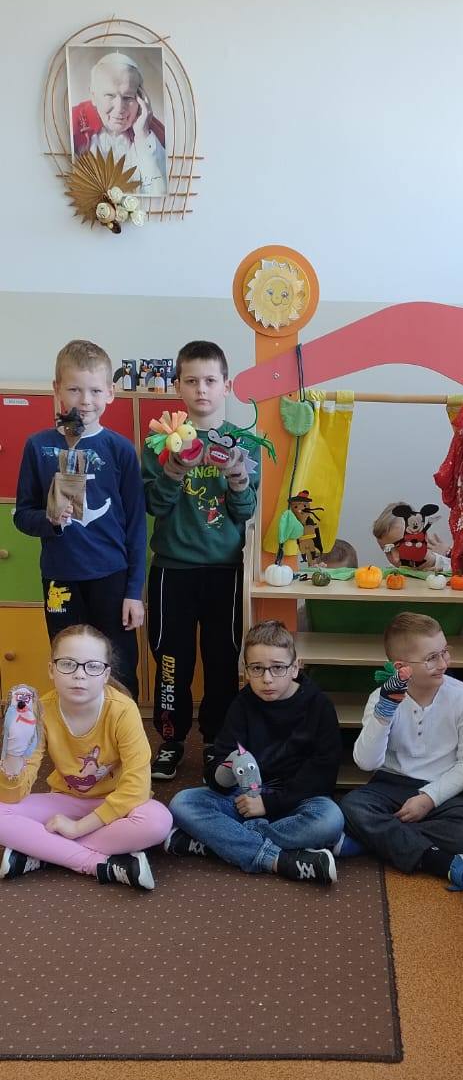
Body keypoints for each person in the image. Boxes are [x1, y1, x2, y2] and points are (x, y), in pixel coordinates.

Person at [143, 340, 258, 781]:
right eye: (191, 381)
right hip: (172, 570)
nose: (201, 389)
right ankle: (171, 741)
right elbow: (154, 505)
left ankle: (217, 743)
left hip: (225, 571)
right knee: (171, 660)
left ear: (226, 385)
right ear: (178, 386)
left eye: (210, 380)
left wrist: (238, 480)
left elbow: (245, 512)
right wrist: (174, 469)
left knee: (222, 660)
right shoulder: (160, 441)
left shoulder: (243, 443)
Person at [14, 339, 146, 698]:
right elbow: (22, 515)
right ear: (57, 389)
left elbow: (136, 525)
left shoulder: (120, 449)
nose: (85, 400)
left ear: (110, 394)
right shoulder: (37, 446)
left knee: (119, 666)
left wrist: (133, 592)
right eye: (74, 389)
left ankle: (123, 731)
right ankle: (74, 732)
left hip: (111, 577)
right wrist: (51, 521)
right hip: (60, 577)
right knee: (69, 665)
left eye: (95, 390)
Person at [166, 620, 344, 885]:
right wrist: (225, 770)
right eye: (257, 669)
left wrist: (269, 804)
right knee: (182, 803)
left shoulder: (319, 705)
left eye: (278, 668)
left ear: (295, 667)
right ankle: (276, 859)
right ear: (246, 670)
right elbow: (219, 765)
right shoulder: (242, 703)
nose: (267, 679)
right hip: (245, 798)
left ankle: (219, 843)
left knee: (330, 820)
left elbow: (322, 774)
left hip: (296, 801)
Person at [0, 625, 172, 891]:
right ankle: (97, 863)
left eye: (92, 666)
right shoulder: (41, 710)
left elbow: (136, 788)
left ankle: (44, 852)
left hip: (118, 804)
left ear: (105, 675)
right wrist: (12, 754)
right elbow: (12, 796)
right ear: (51, 670)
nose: (79, 674)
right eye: (68, 664)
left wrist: (77, 828)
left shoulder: (123, 710)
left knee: (158, 821)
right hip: (66, 800)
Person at [341, 612, 463, 895]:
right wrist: (384, 714)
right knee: (351, 806)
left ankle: (371, 841)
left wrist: (429, 798)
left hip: (443, 789)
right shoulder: (380, 698)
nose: (443, 663)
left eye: (444, 652)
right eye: (431, 658)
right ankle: (439, 861)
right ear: (401, 667)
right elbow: (366, 762)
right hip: (390, 784)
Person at [72, 52, 167, 197]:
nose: (119, 108)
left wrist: (142, 135)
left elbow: (159, 192)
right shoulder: (74, 124)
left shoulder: (151, 131)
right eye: (110, 95)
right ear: (93, 96)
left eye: (128, 97)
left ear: (141, 98)